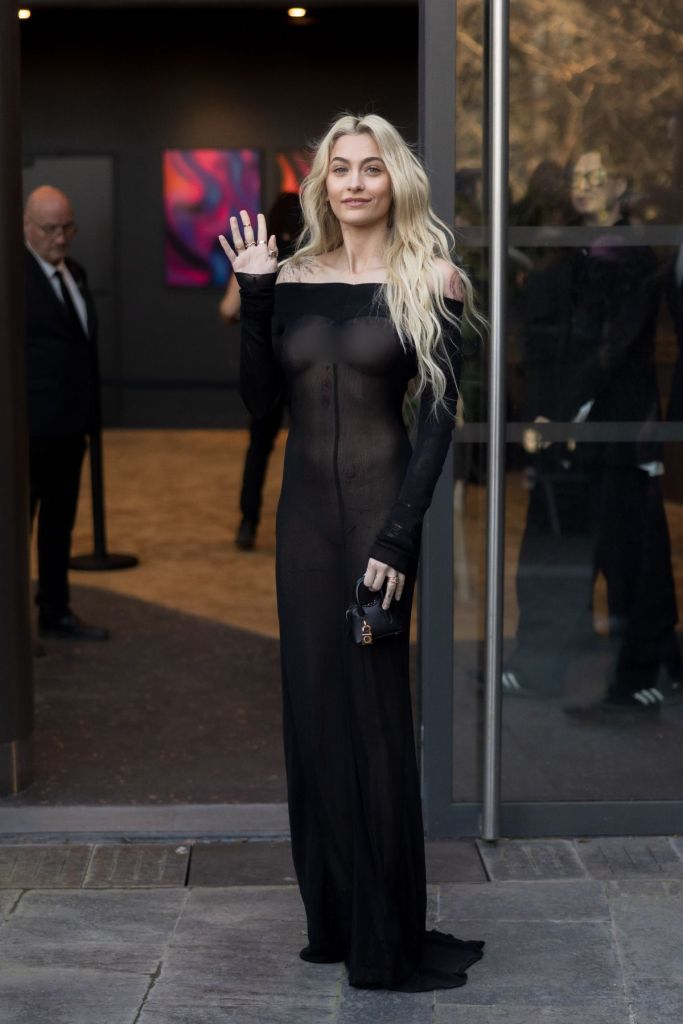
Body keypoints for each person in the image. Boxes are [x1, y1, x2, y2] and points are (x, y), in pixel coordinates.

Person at [219, 114, 484, 990]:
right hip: (302, 529)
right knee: (314, 714)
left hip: (380, 523)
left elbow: (440, 424)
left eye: (372, 168)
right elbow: (261, 406)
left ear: (393, 180)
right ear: (322, 184)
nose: (357, 182)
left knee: (373, 722)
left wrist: (400, 539)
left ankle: (384, 933)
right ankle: (332, 918)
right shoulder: (289, 278)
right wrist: (254, 295)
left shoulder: (431, 277)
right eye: (341, 169)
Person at [505, 150, 681, 709]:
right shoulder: (570, 255)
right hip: (569, 428)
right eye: (578, 176)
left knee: (631, 554)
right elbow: (550, 339)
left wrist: (554, 410)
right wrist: (546, 410)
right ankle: (539, 666)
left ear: (621, 185)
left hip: (616, 431)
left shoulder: (632, 257)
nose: (583, 185)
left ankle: (648, 670)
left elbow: (609, 347)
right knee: (555, 549)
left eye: (595, 175)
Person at [24, 185, 108, 641]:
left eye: (68, 227)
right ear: (27, 227)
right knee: (21, 530)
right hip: (29, 433)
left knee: (59, 527)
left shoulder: (74, 272)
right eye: (50, 229)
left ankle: (54, 612)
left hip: (70, 429)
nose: (61, 238)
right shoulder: (14, 276)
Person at [219, 194, 302, 550]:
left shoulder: (259, 258)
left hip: (267, 364)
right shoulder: (310, 260)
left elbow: (226, 309)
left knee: (259, 448)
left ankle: (247, 522)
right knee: (309, 444)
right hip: (303, 366)